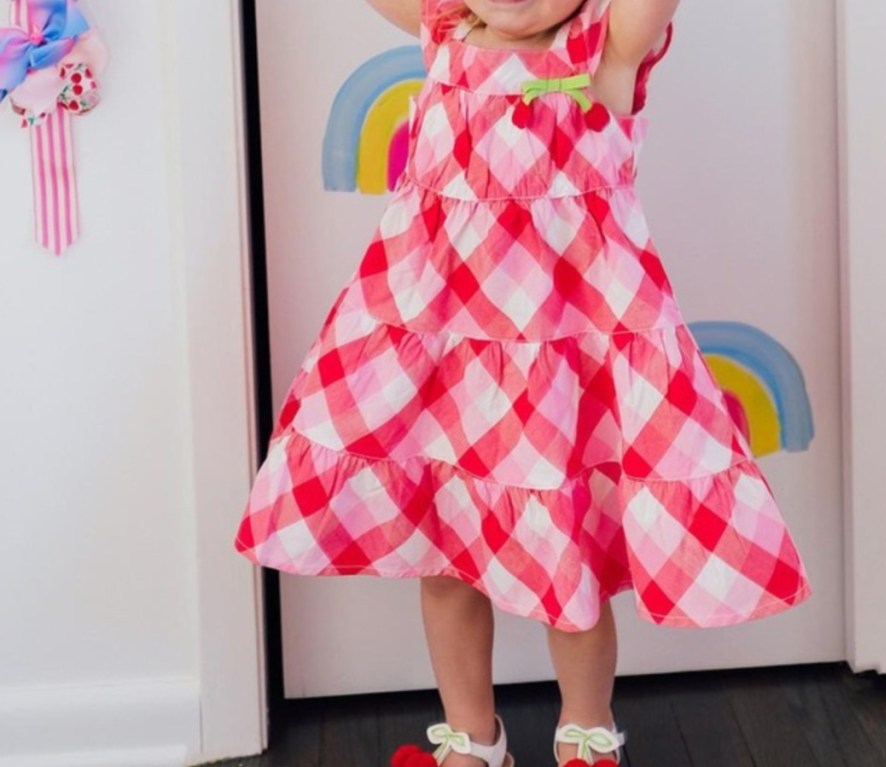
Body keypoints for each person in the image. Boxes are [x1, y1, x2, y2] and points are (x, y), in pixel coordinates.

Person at [233, 0, 813, 764]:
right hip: (442, 356)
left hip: (566, 365)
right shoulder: (440, 28)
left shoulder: (603, 49)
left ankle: (587, 731)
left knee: (564, 558)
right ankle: (473, 737)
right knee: (446, 557)